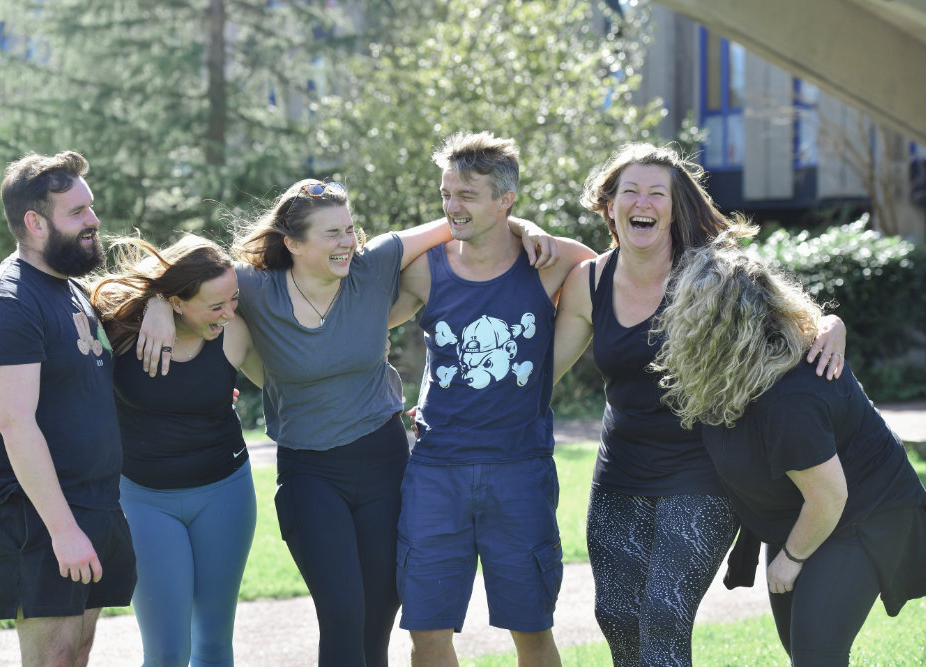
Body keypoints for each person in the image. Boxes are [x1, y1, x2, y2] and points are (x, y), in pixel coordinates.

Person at [138, 178, 558, 667]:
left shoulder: (374, 265)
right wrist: (155, 304)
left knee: (380, 611)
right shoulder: (253, 286)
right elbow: (176, 274)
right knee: (342, 610)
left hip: (382, 459)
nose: (348, 243)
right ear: (293, 243)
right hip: (310, 472)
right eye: (333, 234)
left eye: (350, 229)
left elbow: (465, 220)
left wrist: (525, 226)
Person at [552, 143, 847, 666]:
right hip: (619, 474)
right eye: (630, 191)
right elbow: (540, 376)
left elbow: (791, 319)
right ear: (610, 205)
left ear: (675, 206)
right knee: (616, 616)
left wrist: (832, 325)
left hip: (703, 473)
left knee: (665, 614)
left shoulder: (710, 278)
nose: (643, 201)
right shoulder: (589, 281)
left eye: (656, 192)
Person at [649, 238, 926, 666]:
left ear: (716, 327)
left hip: (861, 515)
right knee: (803, 653)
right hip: (799, 518)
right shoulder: (725, 377)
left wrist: (791, 559)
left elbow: (830, 496)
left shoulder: (789, 395)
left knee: (816, 656)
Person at [389, 131, 596, 667]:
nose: (451, 207)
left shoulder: (553, 262)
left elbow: (610, 285)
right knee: (427, 632)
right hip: (436, 470)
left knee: (531, 631)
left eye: (466, 196)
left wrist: (546, 376)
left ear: (505, 200)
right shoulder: (421, 269)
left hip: (520, 469)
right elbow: (348, 306)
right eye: (445, 194)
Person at [0, 151, 137, 666]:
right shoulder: (7, 301)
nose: (94, 220)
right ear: (35, 222)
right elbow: (15, 425)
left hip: (91, 502)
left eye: (91, 208)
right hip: (34, 513)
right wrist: (62, 529)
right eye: (77, 211)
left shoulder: (72, 291)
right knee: (52, 658)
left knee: (75, 652)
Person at [90, 235, 264, 666]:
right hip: (144, 499)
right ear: (178, 301)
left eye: (234, 300)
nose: (229, 312)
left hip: (226, 492)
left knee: (213, 641)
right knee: (167, 651)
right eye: (216, 306)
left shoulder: (236, 331)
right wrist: (153, 303)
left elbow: (292, 379)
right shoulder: (120, 328)